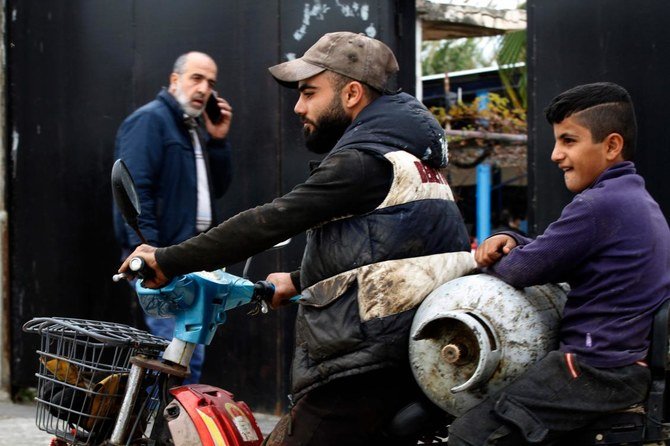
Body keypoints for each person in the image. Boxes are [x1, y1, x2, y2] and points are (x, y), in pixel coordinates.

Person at [119, 31, 475, 444]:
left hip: (367, 363)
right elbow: (391, 251)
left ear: (352, 93)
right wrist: (298, 280)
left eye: (309, 92)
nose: (298, 106)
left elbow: (271, 220)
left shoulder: (364, 161)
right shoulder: (411, 158)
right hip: (407, 348)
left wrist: (168, 259)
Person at [450, 82, 670, 445]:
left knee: (469, 435)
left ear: (611, 145)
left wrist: (494, 258)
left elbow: (522, 271)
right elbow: (556, 253)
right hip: (624, 366)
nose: (555, 154)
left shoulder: (598, 205)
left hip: (593, 369)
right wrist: (516, 241)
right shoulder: (635, 199)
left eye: (569, 141)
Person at [113, 51, 234, 384]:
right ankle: (163, 430)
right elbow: (135, 192)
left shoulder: (192, 127)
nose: (204, 88)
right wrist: (148, 250)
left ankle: (160, 429)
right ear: (174, 79)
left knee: (187, 355)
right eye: (196, 78)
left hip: (191, 258)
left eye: (210, 82)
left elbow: (218, 187)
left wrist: (219, 141)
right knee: (176, 355)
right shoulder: (150, 120)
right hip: (162, 258)